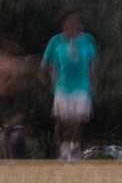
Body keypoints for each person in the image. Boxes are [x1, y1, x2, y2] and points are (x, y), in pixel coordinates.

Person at [40, 12, 98, 163]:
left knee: (77, 119)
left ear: (79, 26)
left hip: (82, 86)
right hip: (62, 87)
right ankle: (63, 148)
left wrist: (93, 82)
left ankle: (74, 147)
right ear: (63, 25)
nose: (71, 26)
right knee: (62, 121)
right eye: (68, 23)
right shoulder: (56, 41)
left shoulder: (87, 41)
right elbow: (47, 63)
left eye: (75, 23)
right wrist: (48, 79)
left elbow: (92, 64)